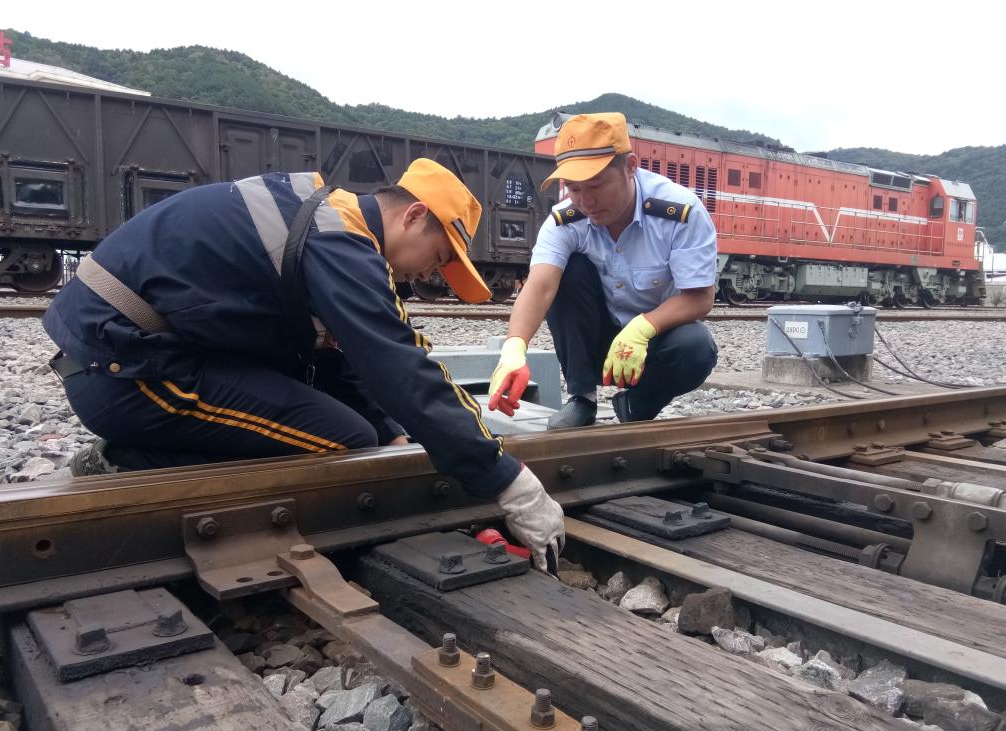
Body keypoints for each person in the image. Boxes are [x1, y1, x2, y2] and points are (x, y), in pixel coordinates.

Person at [43, 159, 564, 571]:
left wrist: (390, 431)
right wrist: (508, 481)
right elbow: (399, 364)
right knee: (343, 439)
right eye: (440, 256)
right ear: (413, 216)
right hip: (124, 371)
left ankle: (144, 452)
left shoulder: (323, 218)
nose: (433, 273)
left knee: (364, 431)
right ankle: (125, 464)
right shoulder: (340, 239)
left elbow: (337, 357)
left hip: (131, 355)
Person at [488, 113, 719, 429]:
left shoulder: (679, 212)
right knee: (568, 270)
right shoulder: (565, 221)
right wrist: (514, 349)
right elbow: (539, 287)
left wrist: (642, 328)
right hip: (595, 342)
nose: (586, 201)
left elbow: (700, 297)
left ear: (630, 167)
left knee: (697, 348)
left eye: (596, 185)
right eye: (574, 188)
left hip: (653, 341)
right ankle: (582, 398)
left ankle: (637, 404)